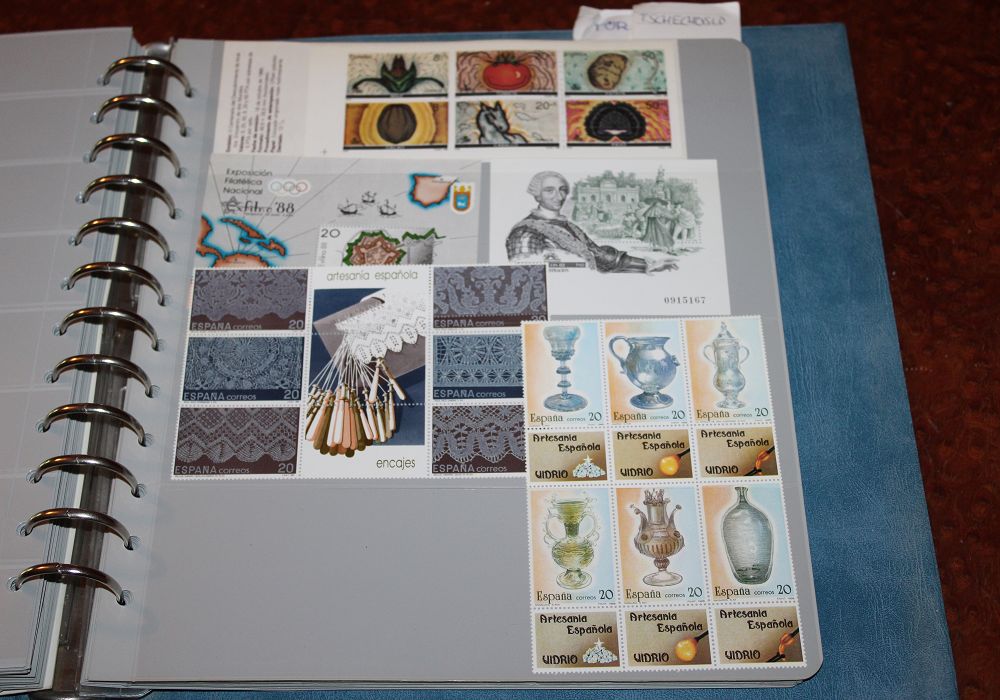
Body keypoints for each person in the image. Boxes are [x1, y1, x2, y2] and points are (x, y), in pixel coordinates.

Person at [505, 171, 676, 273]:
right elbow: (526, 278)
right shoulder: (525, 233)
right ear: (537, 195)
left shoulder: (570, 226)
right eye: (549, 190)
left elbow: (601, 257)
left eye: (562, 190)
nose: (559, 196)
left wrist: (648, 265)